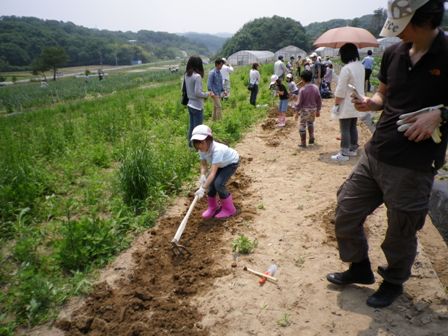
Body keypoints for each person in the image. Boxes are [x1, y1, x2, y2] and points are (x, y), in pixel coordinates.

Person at [326, 0, 448, 309]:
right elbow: (384, 92)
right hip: (376, 151)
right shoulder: (394, 52)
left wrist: (440, 114)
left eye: (403, 25)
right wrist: (372, 101)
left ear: (426, 20)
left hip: (414, 164)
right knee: (346, 209)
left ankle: (393, 281)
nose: (397, 34)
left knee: (400, 229)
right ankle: (359, 267)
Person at [192, 124, 240, 219]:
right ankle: (212, 207)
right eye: (196, 143)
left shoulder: (218, 150)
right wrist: (202, 175)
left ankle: (229, 209)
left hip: (230, 162)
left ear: (209, 139)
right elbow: (203, 165)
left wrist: (203, 188)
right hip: (220, 164)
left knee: (218, 184)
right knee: (211, 184)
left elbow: (213, 172)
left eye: (202, 142)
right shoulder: (201, 149)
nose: (199, 145)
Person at [330, 43, 365, 162]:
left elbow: (341, 89)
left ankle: (344, 153)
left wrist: (336, 104)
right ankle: (353, 149)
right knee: (352, 126)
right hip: (357, 101)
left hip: (347, 102)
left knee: (344, 127)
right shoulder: (360, 66)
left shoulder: (347, 68)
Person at [184, 56, 210, 147]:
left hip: (190, 104)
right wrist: (207, 94)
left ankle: (190, 145)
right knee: (198, 129)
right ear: (198, 65)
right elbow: (198, 93)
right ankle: (196, 147)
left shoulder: (187, 75)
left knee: (191, 127)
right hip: (197, 106)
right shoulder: (197, 76)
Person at [294, 70, 322, 147]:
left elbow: (299, 103)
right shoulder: (316, 88)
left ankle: (303, 143)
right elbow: (319, 99)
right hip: (313, 110)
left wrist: (296, 113)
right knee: (310, 123)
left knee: (302, 125)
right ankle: (311, 137)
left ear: (302, 79)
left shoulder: (302, 90)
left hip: (305, 111)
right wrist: (318, 110)